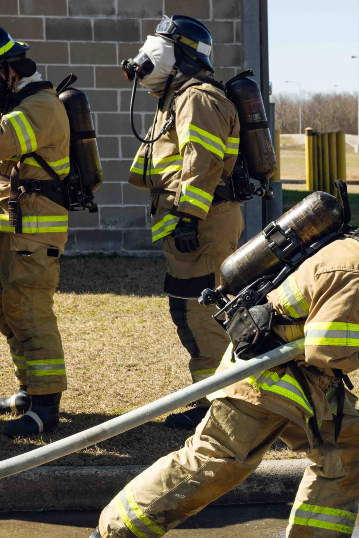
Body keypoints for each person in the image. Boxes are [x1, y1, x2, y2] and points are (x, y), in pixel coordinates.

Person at [77, 173, 359, 538]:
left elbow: (345, 333)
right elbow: (330, 348)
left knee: (350, 447)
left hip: (302, 380)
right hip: (266, 376)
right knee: (217, 461)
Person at [122, 15, 243, 429]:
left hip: (203, 224)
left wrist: (189, 217)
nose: (146, 56)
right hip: (192, 223)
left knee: (202, 314)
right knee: (189, 311)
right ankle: (211, 398)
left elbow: (202, 160)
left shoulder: (197, 98)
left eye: (155, 48)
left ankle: (223, 404)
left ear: (179, 57)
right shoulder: (176, 96)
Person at [0, 23, 71, 436]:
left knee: (30, 310)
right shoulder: (12, 106)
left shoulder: (42, 106)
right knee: (4, 308)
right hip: (6, 228)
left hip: (35, 233)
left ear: (8, 70)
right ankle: (28, 390)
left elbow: (0, 143)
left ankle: (46, 406)